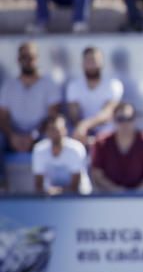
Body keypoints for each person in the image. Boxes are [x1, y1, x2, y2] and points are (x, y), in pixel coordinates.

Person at [0, 42, 62, 188]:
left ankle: (52, 185)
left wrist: (33, 136)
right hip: (14, 133)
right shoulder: (9, 86)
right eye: (24, 57)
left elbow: (52, 116)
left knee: (56, 134)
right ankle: (1, 184)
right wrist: (12, 136)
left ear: (37, 59)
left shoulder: (49, 84)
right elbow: (2, 117)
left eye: (31, 57)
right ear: (18, 60)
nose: (28, 61)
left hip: (40, 132)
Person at [89, 102, 143, 192]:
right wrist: (116, 191)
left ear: (135, 120)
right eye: (120, 119)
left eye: (129, 119)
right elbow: (96, 174)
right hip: (110, 199)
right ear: (113, 120)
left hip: (142, 199)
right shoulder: (101, 143)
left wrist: (134, 194)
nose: (125, 123)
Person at [65, 46, 124, 143]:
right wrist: (82, 131)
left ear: (102, 63)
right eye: (88, 61)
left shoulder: (114, 84)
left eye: (95, 61)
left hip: (107, 136)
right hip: (82, 135)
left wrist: (85, 125)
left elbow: (107, 113)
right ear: (82, 64)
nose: (91, 65)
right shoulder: (73, 86)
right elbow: (74, 115)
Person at [32, 115, 91, 196]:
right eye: (51, 129)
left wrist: (57, 192)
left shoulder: (75, 149)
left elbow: (75, 186)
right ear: (46, 132)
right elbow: (38, 183)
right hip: (49, 198)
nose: (55, 133)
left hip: (79, 197)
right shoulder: (39, 150)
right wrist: (50, 192)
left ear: (65, 130)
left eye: (58, 130)